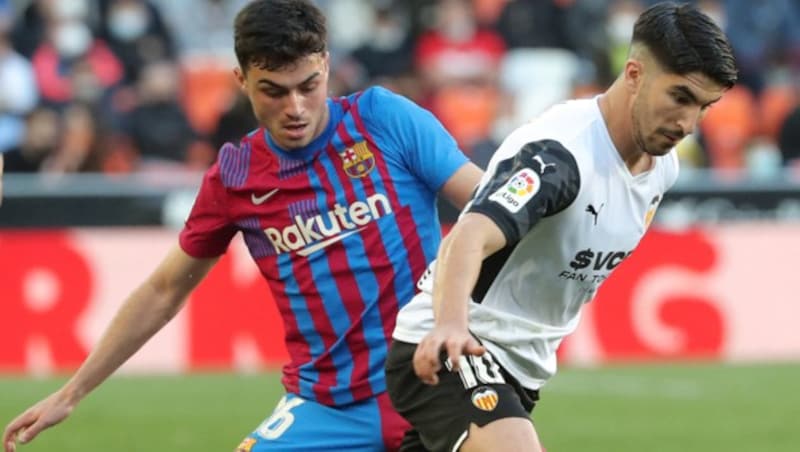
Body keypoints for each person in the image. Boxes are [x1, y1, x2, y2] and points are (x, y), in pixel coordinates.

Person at [2, 1, 482, 451]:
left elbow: (487, 210)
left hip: (432, 384)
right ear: (242, 79)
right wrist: (71, 393)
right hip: (328, 404)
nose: (295, 108)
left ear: (327, 67)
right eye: (274, 90)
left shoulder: (385, 119)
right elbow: (163, 290)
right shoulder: (234, 176)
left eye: (308, 86)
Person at [384, 3, 737, 451]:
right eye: (680, 97)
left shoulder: (661, 168)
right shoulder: (560, 157)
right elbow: (471, 232)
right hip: (462, 346)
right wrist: (451, 324)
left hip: (522, 370)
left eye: (705, 107)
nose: (688, 124)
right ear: (633, 74)